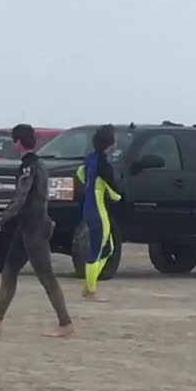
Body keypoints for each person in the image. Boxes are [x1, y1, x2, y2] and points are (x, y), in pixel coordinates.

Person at [0, 124, 74, 338]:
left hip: (33, 228)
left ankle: (65, 323)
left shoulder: (29, 167)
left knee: (46, 276)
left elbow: (20, 199)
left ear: (17, 142)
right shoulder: (41, 165)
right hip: (28, 227)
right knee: (9, 271)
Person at [77, 124, 123, 301]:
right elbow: (116, 195)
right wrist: (112, 193)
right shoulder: (105, 166)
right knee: (97, 249)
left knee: (108, 248)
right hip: (98, 209)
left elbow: (80, 173)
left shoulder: (90, 159)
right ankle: (90, 291)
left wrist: (92, 186)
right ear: (109, 144)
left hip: (89, 206)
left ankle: (90, 284)